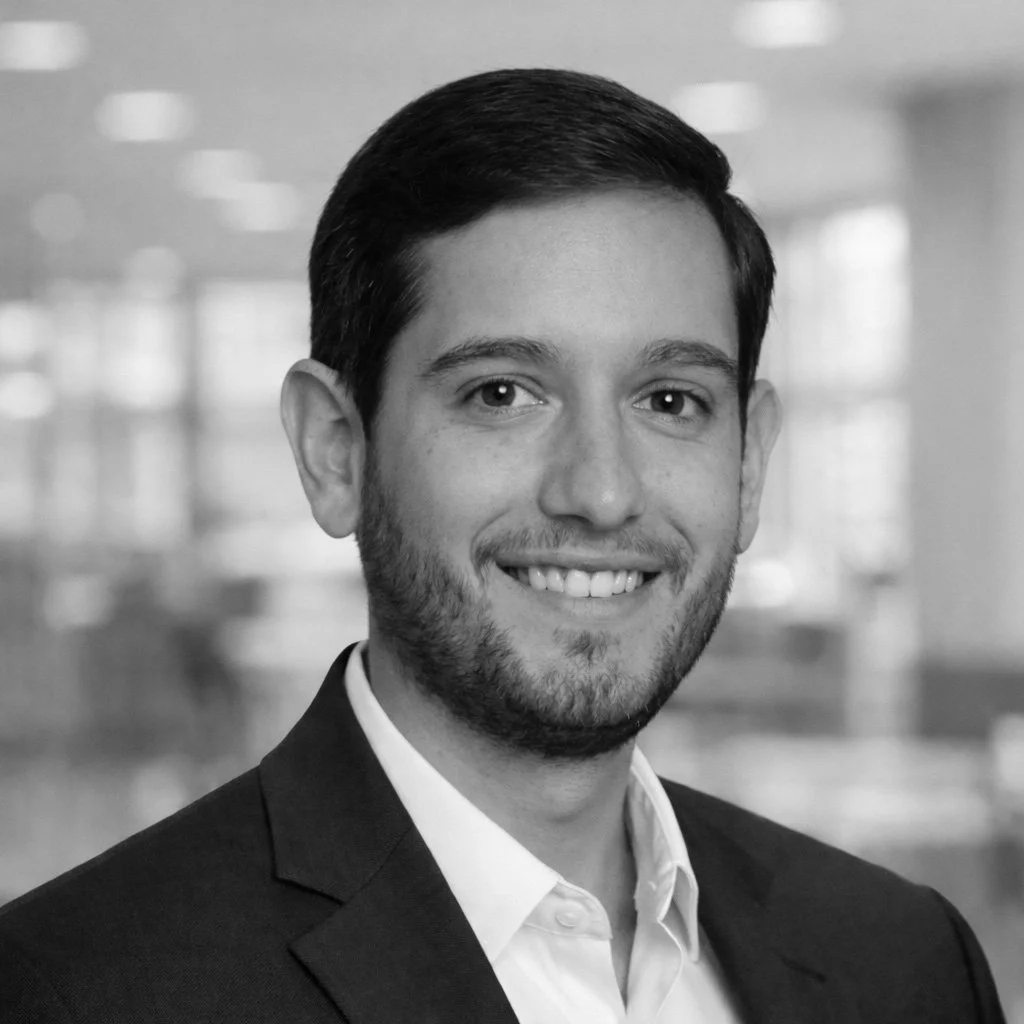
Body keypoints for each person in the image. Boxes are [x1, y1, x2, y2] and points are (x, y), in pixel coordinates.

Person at [0, 68, 1006, 1024]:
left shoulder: (903, 962)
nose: (601, 493)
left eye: (670, 401)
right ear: (335, 449)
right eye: (501, 394)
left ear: (748, 465)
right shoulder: (76, 991)